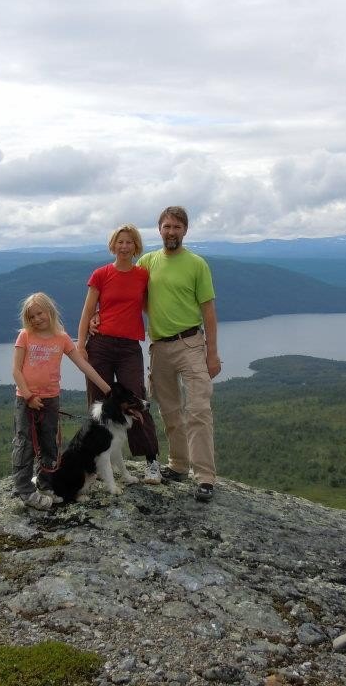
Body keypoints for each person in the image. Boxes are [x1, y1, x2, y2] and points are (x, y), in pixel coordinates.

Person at [137, 206, 222, 502]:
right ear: (158, 229)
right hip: (159, 347)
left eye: (177, 227)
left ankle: (205, 477)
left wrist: (212, 354)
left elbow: (209, 312)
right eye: (166, 226)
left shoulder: (197, 264)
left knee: (198, 410)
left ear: (185, 230)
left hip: (190, 343)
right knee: (170, 411)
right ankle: (178, 465)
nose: (171, 232)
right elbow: (132, 297)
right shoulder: (147, 261)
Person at [76, 224, 162, 485]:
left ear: (136, 247)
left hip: (128, 348)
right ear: (113, 246)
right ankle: (95, 462)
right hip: (99, 344)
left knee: (137, 399)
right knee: (99, 404)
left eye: (129, 243)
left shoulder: (142, 275)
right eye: (120, 242)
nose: (124, 247)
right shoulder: (101, 274)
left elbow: (151, 305)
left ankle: (151, 463)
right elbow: (88, 310)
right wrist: (81, 346)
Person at [11, 292, 111, 510]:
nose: (37, 319)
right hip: (26, 399)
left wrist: (107, 389)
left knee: (50, 443)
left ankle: (46, 484)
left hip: (50, 400)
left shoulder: (62, 338)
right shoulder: (25, 336)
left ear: (50, 311)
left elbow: (83, 365)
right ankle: (25, 490)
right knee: (25, 442)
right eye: (32, 316)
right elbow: (16, 371)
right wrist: (28, 396)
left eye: (40, 313)